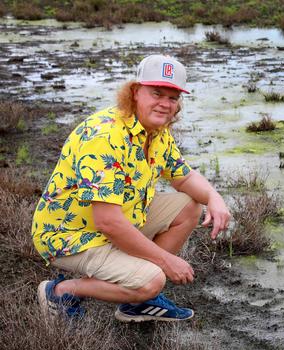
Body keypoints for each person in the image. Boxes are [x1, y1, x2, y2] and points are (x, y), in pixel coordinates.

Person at [31, 54, 231, 322]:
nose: (165, 104)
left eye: (172, 98)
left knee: (189, 206)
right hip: (70, 235)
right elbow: (108, 223)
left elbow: (182, 177)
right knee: (152, 280)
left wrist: (214, 197)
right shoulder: (105, 137)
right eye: (156, 93)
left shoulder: (156, 132)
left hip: (120, 219)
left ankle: (135, 304)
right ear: (135, 92)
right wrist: (164, 260)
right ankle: (62, 291)